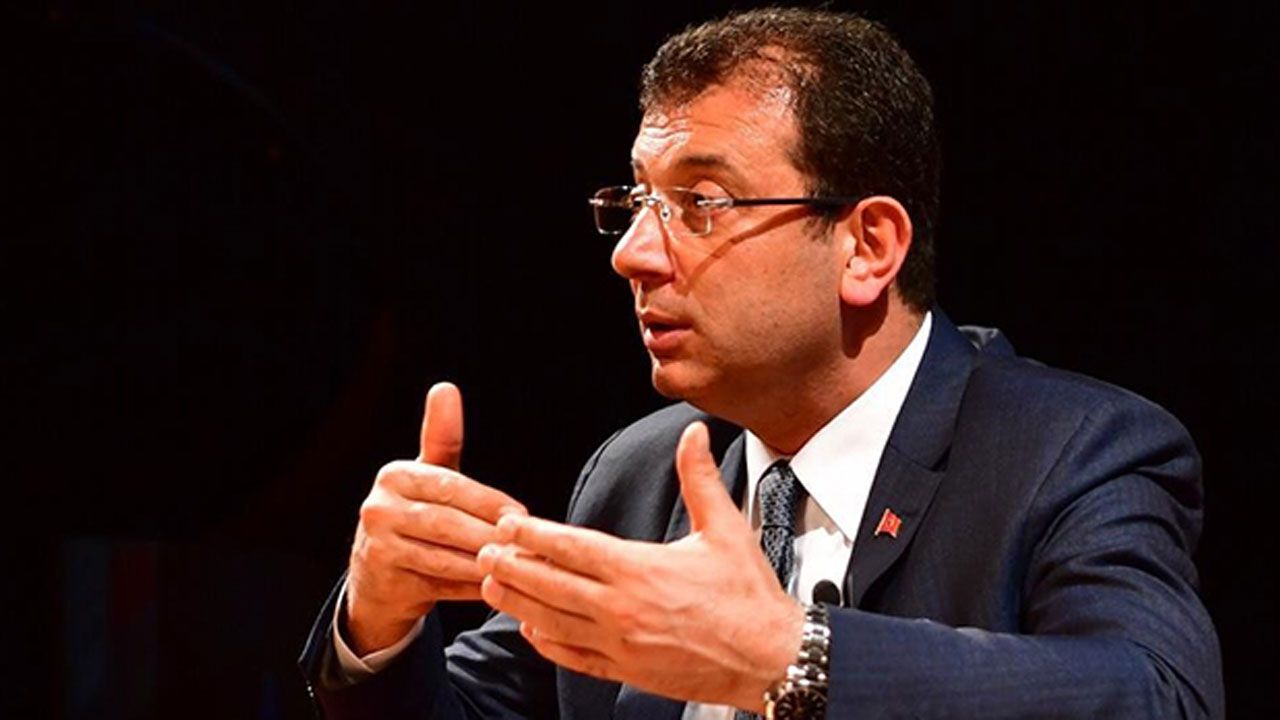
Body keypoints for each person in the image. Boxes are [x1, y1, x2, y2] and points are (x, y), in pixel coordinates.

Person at [300, 8, 1223, 718]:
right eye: (636, 203)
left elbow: (1158, 695)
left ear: (867, 246)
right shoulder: (641, 475)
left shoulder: (1070, 451)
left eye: (701, 203)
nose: (633, 255)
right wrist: (378, 624)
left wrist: (788, 656)